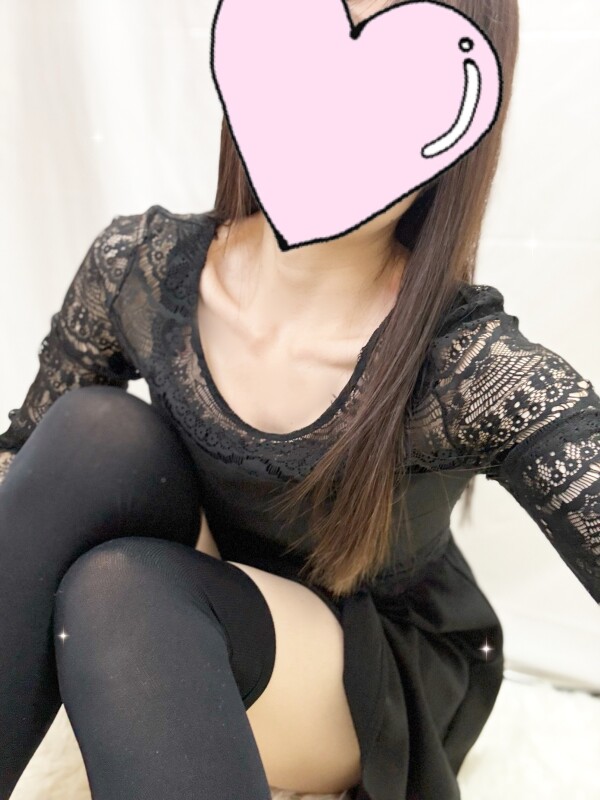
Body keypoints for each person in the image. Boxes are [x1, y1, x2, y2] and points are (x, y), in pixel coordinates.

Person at [1, 1, 598, 799]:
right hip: (207, 579)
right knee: (91, 433)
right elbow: (26, 478)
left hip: (363, 660)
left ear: (455, 117)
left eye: (386, 86)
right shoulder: (139, 265)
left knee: (121, 594)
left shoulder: (469, 370)